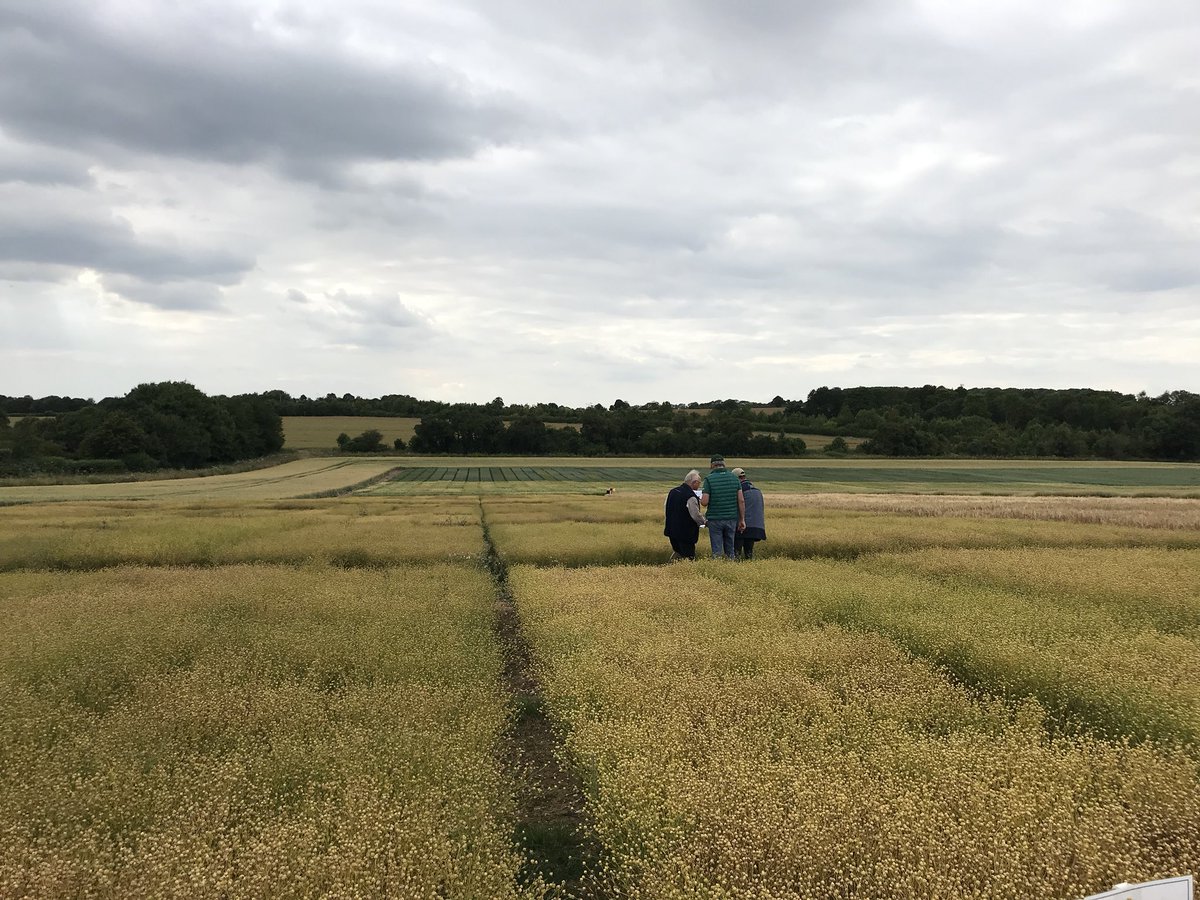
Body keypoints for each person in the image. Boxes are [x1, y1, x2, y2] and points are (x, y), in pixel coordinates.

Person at [701, 454, 744, 560]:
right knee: (730, 549)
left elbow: (705, 502)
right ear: (724, 465)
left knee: (717, 550)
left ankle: (718, 567)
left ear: (712, 465)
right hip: (731, 518)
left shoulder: (709, 479)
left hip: (715, 519)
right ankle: (731, 566)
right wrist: (742, 519)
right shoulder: (734, 478)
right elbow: (741, 500)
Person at [663, 469, 706, 561]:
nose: (699, 485)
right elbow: (695, 515)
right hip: (685, 533)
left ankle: (670, 570)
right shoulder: (690, 496)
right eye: (699, 483)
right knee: (689, 557)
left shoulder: (673, 492)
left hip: (671, 531)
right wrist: (705, 522)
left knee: (678, 552)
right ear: (694, 482)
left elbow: (666, 508)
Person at [732, 467, 766, 560]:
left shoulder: (740, 490)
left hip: (742, 526)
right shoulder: (757, 491)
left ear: (736, 478)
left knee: (736, 553)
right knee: (749, 553)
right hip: (755, 527)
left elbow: (738, 505)